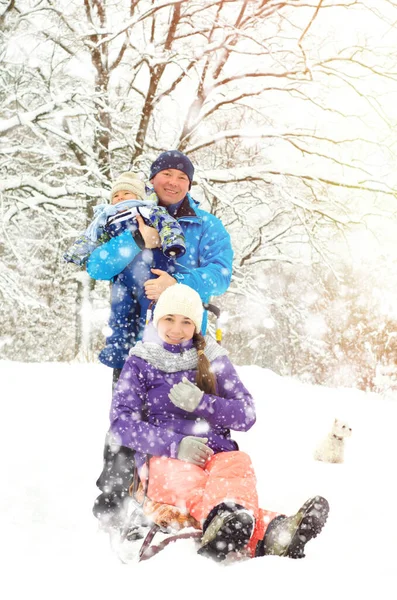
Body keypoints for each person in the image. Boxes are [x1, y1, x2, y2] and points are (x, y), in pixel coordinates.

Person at [93, 284, 329, 562]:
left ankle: (234, 525)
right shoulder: (140, 362)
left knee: (235, 472)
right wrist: (176, 446)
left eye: (186, 321)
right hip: (167, 457)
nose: (177, 329)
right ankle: (270, 532)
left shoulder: (214, 359)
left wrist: (203, 403)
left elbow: (246, 414)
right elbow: (121, 423)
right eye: (169, 319)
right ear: (157, 319)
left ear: (196, 325)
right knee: (192, 485)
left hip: (219, 453)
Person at [86, 150, 233, 373]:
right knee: (127, 409)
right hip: (131, 351)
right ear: (152, 178)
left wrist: (176, 284)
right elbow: (96, 267)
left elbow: (221, 275)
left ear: (189, 185)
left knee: (183, 404)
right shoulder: (121, 217)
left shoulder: (206, 225)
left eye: (182, 177)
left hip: (183, 347)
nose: (174, 182)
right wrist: (138, 239)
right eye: (167, 173)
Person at [64, 172, 186, 370]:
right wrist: (78, 252)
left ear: (138, 196)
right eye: (116, 195)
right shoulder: (105, 218)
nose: (119, 199)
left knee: (150, 314)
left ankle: (149, 350)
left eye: (126, 194)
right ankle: (118, 351)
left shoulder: (148, 210)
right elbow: (91, 240)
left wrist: (173, 243)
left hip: (151, 275)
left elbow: (169, 225)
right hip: (122, 279)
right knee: (120, 314)